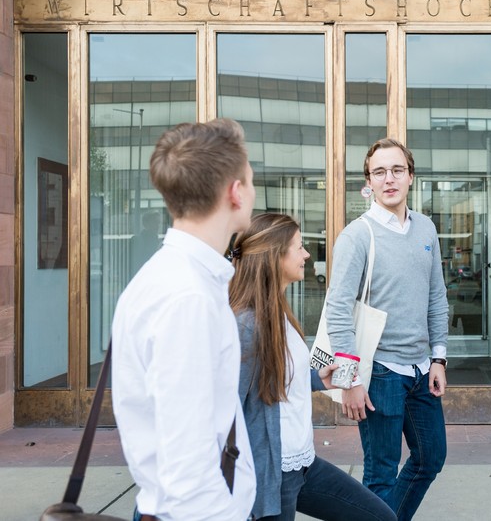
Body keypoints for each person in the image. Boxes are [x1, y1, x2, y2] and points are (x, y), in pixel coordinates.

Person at [111, 118, 257, 520]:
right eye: (250, 179)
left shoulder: (177, 279)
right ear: (235, 192)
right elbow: (188, 475)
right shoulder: (187, 297)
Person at [230, 213, 397, 521]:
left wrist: (317, 379)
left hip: (303, 464)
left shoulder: (276, 312)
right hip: (272, 473)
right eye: (299, 247)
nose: (307, 254)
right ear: (274, 255)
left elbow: (273, 376)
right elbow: (226, 409)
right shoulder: (246, 325)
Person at [326, 138, 448, 521]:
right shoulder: (358, 235)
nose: (389, 179)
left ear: (411, 176)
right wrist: (350, 381)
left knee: (431, 458)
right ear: (369, 182)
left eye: (397, 170)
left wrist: (439, 358)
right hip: (378, 372)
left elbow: (436, 297)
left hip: (420, 369)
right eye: (379, 172)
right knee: (380, 474)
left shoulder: (426, 228)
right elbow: (337, 308)